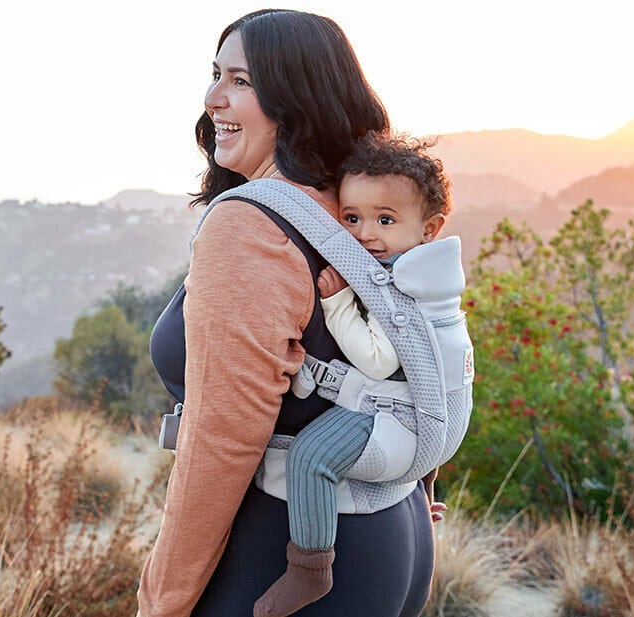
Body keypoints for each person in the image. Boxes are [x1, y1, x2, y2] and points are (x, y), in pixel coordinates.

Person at [136, 10, 441, 617]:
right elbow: (419, 351)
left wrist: (161, 599)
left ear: (295, 98)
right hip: (391, 531)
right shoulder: (366, 210)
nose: (212, 98)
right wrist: (419, 473)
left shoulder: (248, 227)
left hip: (283, 553)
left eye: (241, 81)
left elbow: (224, 440)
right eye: (215, 74)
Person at [254, 133, 454, 617]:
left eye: (385, 220)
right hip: (424, 420)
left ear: (429, 229)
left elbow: (378, 360)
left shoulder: (404, 286)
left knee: (311, 458)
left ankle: (309, 568)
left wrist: (337, 301)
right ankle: (421, 498)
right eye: (351, 218)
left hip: (398, 418)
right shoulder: (423, 273)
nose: (364, 233)